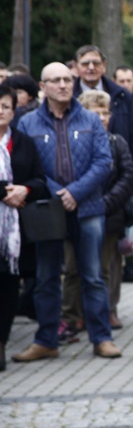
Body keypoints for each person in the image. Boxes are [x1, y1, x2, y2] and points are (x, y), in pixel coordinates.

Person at [15, 62, 121, 361]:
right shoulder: (28, 123)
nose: (63, 84)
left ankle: (101, 338)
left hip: (87, 208)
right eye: (56, 80)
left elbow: (104, 162)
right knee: (47, 276)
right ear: (43, 86)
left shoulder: (90, 118)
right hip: (48, 209)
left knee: (92, 276)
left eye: (66, 79)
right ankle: (46, 340)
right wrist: (58, 193)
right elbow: (28, 166)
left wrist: (75, 192)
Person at [63, 90, 133, 331]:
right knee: (73, 268)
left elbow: (127, 176)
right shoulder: (71, 140)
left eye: (106, 113)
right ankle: (72, 316)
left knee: (105, 268)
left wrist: (104, 204)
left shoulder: (117, 142)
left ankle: (104, 312)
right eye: (97, 112)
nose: (103, 117)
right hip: (76, 211)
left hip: (109, 214)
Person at [0, 85, 48, 372]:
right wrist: (4, 190)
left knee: (7, 288)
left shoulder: (23, 142)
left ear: (14, 110)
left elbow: (40, 180)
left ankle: (2, 341)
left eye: (5, 106)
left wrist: (25, 189)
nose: (0, 111)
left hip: (14, 233)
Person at [72, 45, 133, 181]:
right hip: (79, 179)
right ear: (76, 67)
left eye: (96, 63)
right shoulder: (68, 98)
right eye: (86, 63)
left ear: (104, 66)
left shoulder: (122, 96)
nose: (91, 67)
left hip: (119, 176)